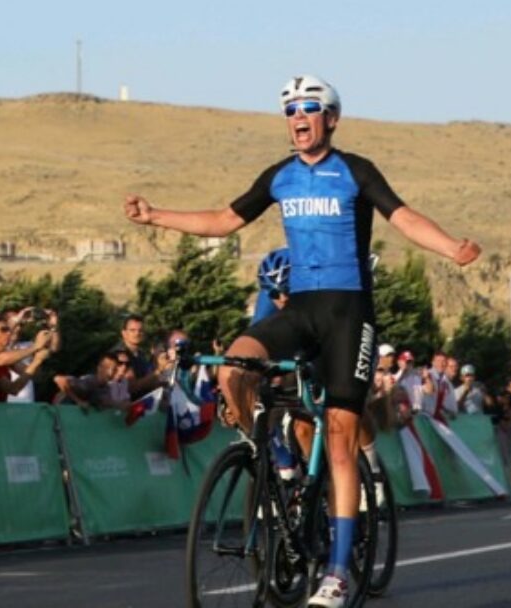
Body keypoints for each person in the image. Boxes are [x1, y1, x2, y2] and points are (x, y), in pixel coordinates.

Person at [124, 74, 480, 607]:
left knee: (339, 437)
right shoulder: (280, 177)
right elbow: (223, 220)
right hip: (301, 310)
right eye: (289, 110)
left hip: (348, 313)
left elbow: (402, 217)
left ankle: (337, 573)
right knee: (233, 364)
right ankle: (265, 456)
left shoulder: (355, 170)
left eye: (308, 108)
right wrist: (155, 216)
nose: (298, 117)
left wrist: (451, 248)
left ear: (330, 118)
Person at [53, 348, 133, 411]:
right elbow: (59, 379)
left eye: (114, 369)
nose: (110, 372)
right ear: (99, 367)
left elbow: (108, 402)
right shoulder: (89, 381)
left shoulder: (106, 389)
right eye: (107, 367)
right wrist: (79, 401)